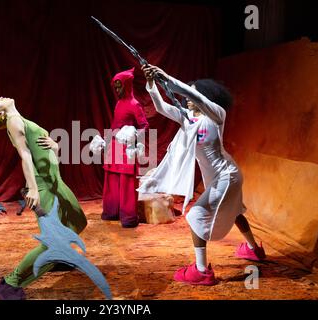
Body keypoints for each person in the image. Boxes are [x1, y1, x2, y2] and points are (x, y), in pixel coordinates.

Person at [139, 65, 266, 286]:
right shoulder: (188, 118)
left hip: (227, 176)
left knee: (195, 216)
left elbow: (192, 95)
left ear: (204, 97)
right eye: (189, 91)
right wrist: (152, 82)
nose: (188, 96)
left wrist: (166, 77)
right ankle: (255, 250)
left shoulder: (216, 114)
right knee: (235, 212)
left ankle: (201, 271)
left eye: (194, 92)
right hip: (220, 178)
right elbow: (161, 107)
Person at [0, 97, 87, 300]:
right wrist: (32, 188)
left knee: (78, 221)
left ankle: (57, 259)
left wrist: (54, 146)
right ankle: (10, 283)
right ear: (0, 114)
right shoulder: (13, 121)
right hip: (44, 185)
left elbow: (39, 149)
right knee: (54, 239)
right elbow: (25, 155)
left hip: (55, 181)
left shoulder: (19, 118)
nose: (0, 99)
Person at [99, 67, 149, 228]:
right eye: (116, 86)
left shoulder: (135, 104)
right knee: (111, 181)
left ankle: (128, 217)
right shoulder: (119, 103)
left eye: (120, 86)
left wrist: (133, 135)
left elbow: (144, 125)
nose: (117, 89)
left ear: (127, 85)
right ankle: (111, 211)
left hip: (127, 148)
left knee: (126, 183)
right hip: (114, 146)